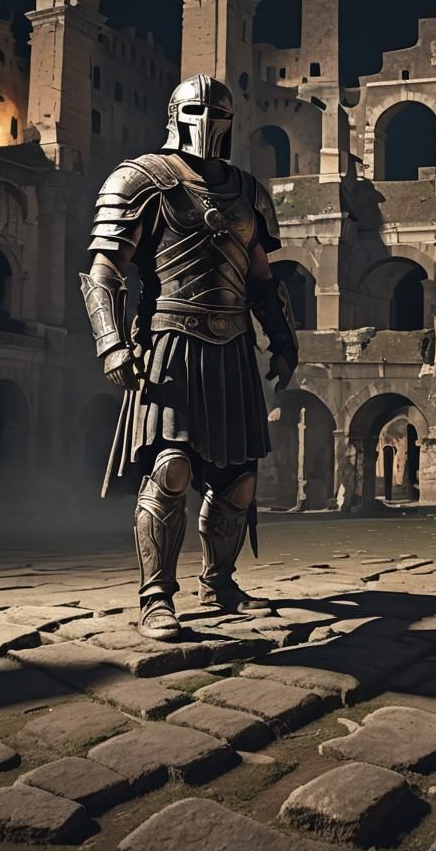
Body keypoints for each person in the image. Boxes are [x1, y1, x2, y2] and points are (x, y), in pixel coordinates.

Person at [78, 74, 298, 641]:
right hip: (169, 342)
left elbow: (261, 281)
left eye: (218, 113)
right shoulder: (140, 179)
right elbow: (105, 270)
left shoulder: (248, 190)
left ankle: (219, 582)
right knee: (171, 468)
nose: (208, 123)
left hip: (233, 347)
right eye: (197, 111)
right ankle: (156, 598)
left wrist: (284, 340)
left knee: (240, 481)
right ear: (175, 116)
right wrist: (109, 342)